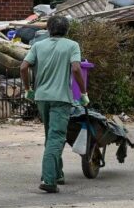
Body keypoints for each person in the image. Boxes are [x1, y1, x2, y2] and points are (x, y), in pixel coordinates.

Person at [20, 15, 87, 193]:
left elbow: (23, 67)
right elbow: (76, 68)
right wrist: (83, 92)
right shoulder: (72, 45)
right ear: (67, 30)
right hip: (61, 99)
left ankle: (58, 174)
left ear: (49, 29)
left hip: (41, 98)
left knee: (51, 136)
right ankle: (49, 180)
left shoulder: (37, 45)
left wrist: (28, 89)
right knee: (57, 138)